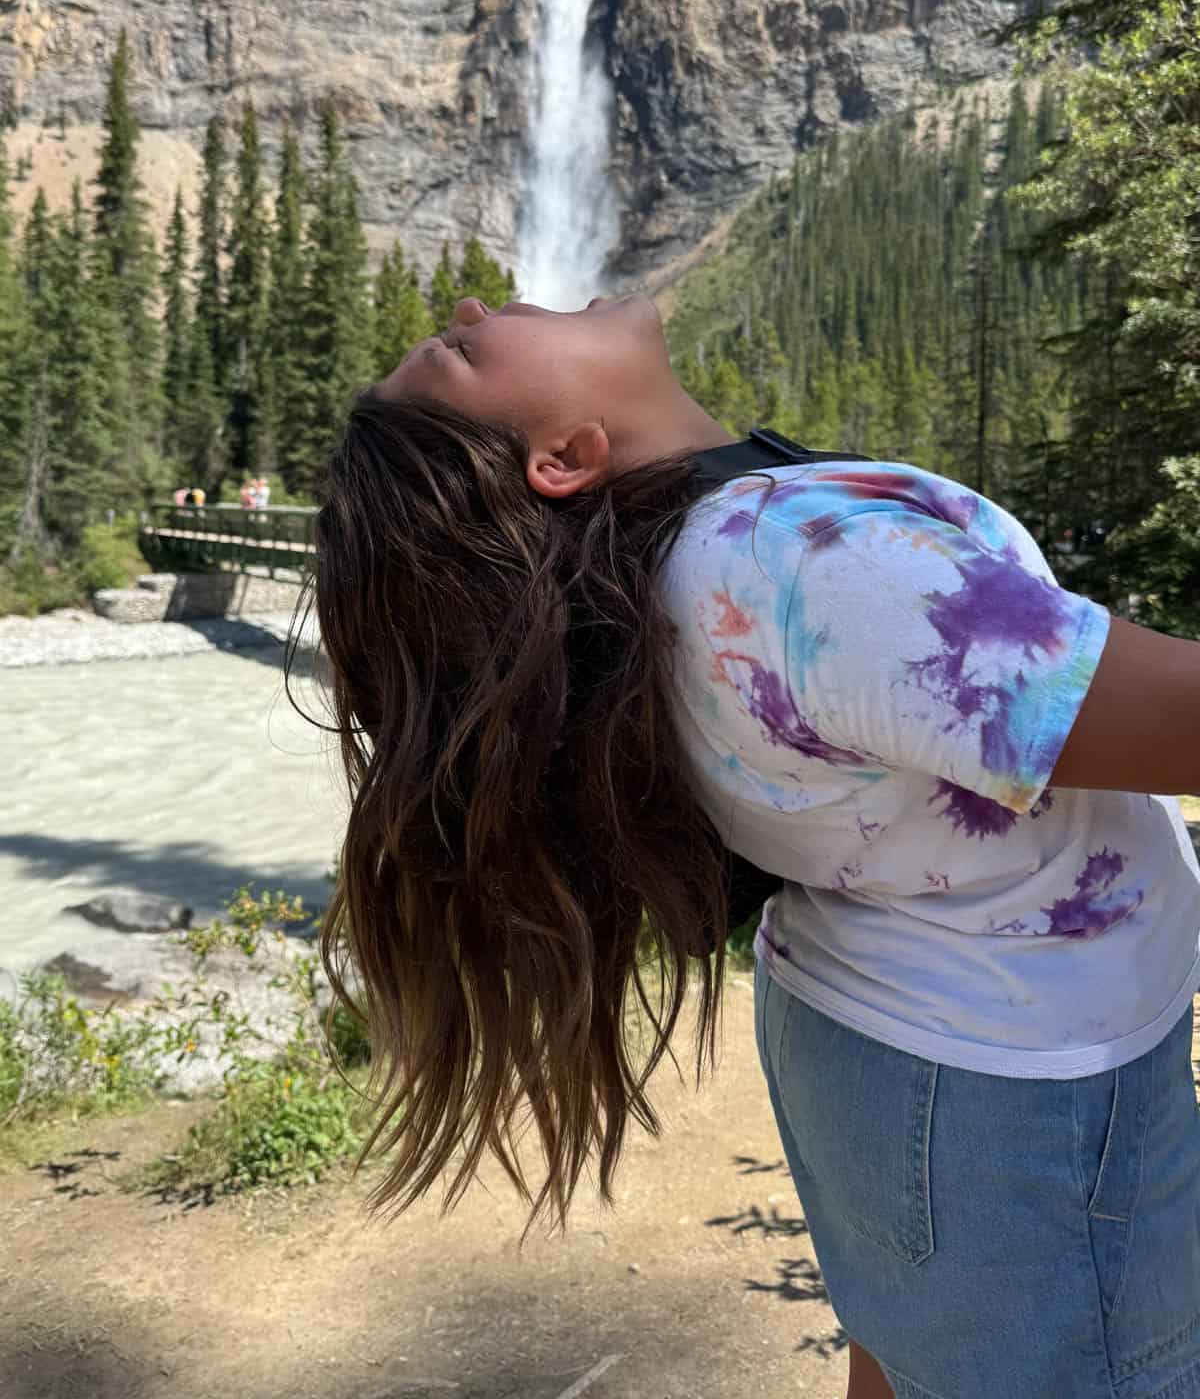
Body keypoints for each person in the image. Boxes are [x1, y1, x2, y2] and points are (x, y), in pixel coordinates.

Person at [296, 294, 1200, 1399]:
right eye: (464, 350)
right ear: (567, 458)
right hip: (1012, 1093)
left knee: (917, 1351)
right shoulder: (803, 569)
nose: (478, 304)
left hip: (891, 1037)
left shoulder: (692, 564)